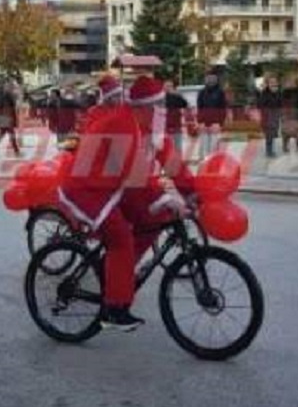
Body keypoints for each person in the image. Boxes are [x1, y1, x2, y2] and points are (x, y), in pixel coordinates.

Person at [57, 75, 196, 332]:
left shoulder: (150, 130)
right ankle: (114, 309)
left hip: (113, 186)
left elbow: (172, 161)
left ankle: (121, 272)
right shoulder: (122, 124)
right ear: (145, 107)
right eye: (159, 106)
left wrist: (191, 192)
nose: (163, 112)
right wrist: (166, 196)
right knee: (120, 237)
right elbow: (135, 176)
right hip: (86, 188)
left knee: (155, 218)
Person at [196, 72, 227, 159]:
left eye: (213, 78)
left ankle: (213, 163)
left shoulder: (220, 93)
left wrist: (220, 123)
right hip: (204, 123)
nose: (210, 80)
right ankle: (204, 163)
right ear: (206, 79)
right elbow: (199, 109)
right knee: (204, 146)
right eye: (209, 78)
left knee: (214, 146)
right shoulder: (201, 92)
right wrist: (200, 122)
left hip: (215, 123)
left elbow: (223, 109)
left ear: (216, 79)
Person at [0, 81, 22, 157]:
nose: (12, 89)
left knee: (2, 133)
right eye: (11, 87)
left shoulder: (1, 95)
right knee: (11, 134)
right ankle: (16, 151)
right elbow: (10, 107)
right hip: (6, 118)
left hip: (4, 117)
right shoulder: (6, 96)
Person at [256, 76, 282, 158]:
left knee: (273, 134)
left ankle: (270, 150)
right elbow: (259, 105)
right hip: (267, 116)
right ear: (268, 84)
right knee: (269, 134)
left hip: (275, 116)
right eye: (272, 82)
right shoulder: (264, 93)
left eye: (275, 82)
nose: (274, 84)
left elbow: (280, 104)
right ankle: (269, 151)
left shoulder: (278, 93)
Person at [280, 75, 298, 155]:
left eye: (294, 81)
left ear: (296, 83)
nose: (292, 83)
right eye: (290, 81)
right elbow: (281, 104)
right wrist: (282, 115)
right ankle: (285, 146)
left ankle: (297, 147)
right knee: (286, 132)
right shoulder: (284, 92)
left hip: (297, 115)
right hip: (287, 115)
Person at [163, 79, 189, 155]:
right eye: (166, 86)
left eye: (170, 86)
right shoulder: (161, 98)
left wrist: (178, 95)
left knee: (178, 146)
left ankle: (178, 161)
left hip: (177, 125)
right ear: (163, 87)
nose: (168, 88)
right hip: (166, 126)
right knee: (168, 147)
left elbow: (185, 104)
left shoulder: (177, 96)